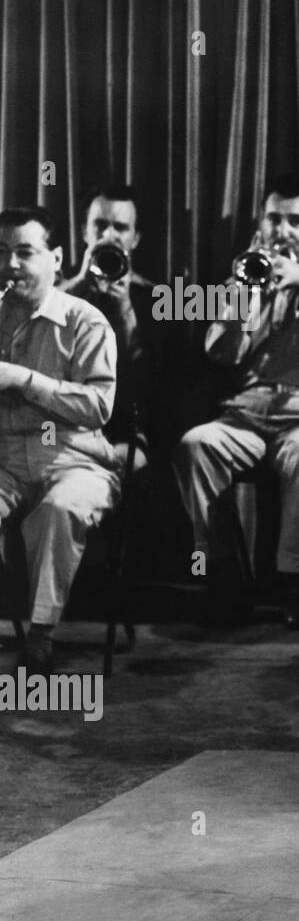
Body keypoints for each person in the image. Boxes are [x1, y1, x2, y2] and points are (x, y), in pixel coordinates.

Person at [173, 174, 299, 629]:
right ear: (260, 223)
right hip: (248, 415)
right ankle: (223, 574)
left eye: (295, 221)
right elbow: (220, 353)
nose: (283, 230)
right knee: (196, 445)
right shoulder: (241, 283)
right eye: (274, 218)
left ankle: (296, 581)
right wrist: (249, 298)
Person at [0, 206, 118, 672]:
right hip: (5, 463)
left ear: (57, 258)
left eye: (24, 253)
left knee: (59, 509)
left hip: (74, 460)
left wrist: (25, 381)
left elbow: (98, 407)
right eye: (2, 253)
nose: (10, 265)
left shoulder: (85, 321)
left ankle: (40, 634)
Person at [62, 184, 159, 472]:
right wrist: (81, 282)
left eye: (121, 227)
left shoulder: (157, 297)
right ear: (84, 232)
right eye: (100, 225)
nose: (109, 236)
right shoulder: (63, 290)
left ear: (136, 238)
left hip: (126, 427)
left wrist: (125, 309)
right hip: (67, 423)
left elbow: (153, 381)